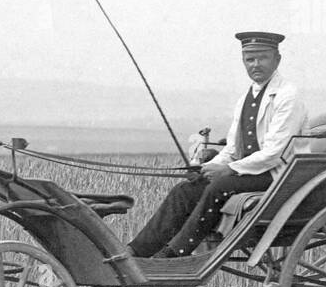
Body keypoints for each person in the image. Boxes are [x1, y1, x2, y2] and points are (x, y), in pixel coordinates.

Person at [128, 32, 307, 258]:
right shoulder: (245, 98)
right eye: (249, 60)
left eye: (262, 58)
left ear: (277, 59)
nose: (255, 64)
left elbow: (274, 153)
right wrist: (209, 168)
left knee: (218, 186)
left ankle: (174, 253)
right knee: (186, 190)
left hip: (279, 174)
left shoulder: (287, 96)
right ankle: (136, 252)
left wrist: (229, 169)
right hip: (248, 172)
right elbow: (232, 149)